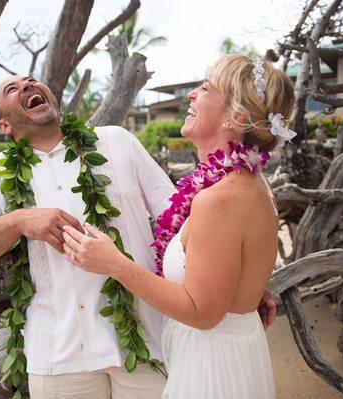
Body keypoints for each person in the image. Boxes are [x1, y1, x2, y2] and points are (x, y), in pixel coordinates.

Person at [0, 73, 277, 399]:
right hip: (58, 357)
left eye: (32, 81)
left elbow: (182, 218)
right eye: (12, 88)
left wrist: (239, 278)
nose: (27, 86)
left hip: (144, 341)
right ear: (4, 125)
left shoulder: (116, 141)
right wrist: (19, 220)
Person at [62, 54, 295, 398]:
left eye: (205, 87)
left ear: (236, 116)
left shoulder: (220, 199)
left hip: (212, 369)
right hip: (226, 352)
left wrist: (114, 263)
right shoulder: (248, 183)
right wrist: (244, 289)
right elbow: (233, 263)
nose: (191, 95)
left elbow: (202, 313)